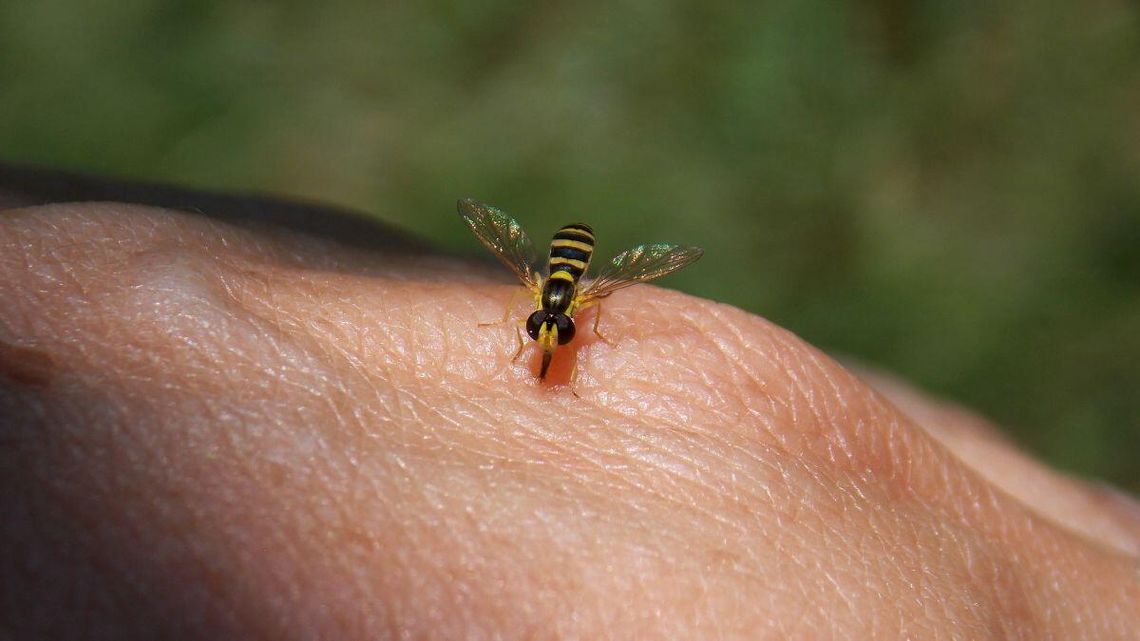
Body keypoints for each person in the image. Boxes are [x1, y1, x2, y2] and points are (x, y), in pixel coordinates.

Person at [1, 164, 1137, 639]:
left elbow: (589, 295)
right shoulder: (534, 301)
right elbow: (524, 286)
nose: (552, 329)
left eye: (556, 323)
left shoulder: (583, 294)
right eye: (552, 324)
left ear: (567, 303)